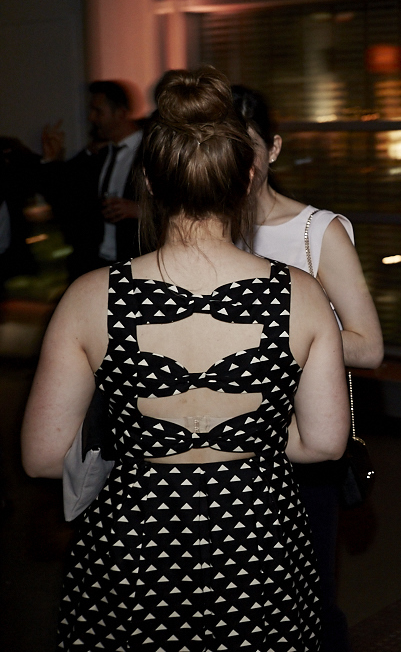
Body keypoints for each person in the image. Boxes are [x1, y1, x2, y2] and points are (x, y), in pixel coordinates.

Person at [22, 67, 349, 651]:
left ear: (148, 180)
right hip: (259, 540)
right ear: (247, 174)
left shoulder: (90, 298)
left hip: (134, 544)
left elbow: (44, 457)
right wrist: (254, 443)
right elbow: (325, 444)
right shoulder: (301, 295)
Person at [234, 84, 385, 652]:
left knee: (306, 605)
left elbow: (368, 346)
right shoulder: (202, 231)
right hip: (224, 445)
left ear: (272, 148)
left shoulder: (314, 231)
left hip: (302, 446)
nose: (235, 160)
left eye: (245, 144)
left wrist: (267, 340)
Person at [40, 81, 145, 279]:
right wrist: (50, 159)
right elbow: (63, 192)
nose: (91, 118)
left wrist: (140, 210)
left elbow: (180, 205)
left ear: (121, 113)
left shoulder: (153, 151)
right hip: (95, 266)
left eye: (98, 111)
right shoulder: (98, 153)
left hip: (137, 268)